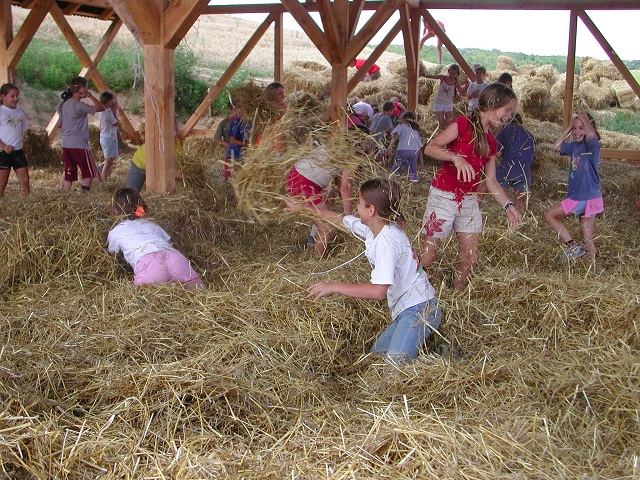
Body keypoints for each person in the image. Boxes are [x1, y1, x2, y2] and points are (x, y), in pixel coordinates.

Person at [285, 178, 442, 364]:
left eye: (358, 202)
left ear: (371, 210)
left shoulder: (386, 242)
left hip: (419, 311)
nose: (356, 206)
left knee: (393, 370)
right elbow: (339, 219)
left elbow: (378, 291)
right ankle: (428, 350)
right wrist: (303, 209)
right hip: (406, 311)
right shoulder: (376, 227)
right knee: (373, 357)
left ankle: (442, 357)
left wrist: (333, 286)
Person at [421, 83, 522, 288]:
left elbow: (491, 181)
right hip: (443, 196)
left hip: (468, 201)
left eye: (512, 112)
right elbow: (430, 148)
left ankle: (457, 298)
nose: (509, 116)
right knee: (429, 256)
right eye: (507, 110)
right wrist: (455, 157)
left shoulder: (491, 142)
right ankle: (408, 289)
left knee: (469, 259)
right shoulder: (461, 124)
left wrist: (508, 206)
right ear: (493, 103)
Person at [108, 188, 203, 289]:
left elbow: (113, 256)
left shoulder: (115, 232)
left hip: (149, 264)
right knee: (201, 294)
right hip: (174, 257)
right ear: (140, 207)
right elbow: (170, 243)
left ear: (116, 211)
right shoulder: (151, 224)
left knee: (139, 300)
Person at [544, 113, 603, 262]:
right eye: (574, 129)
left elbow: (590, 134)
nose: (577, 132)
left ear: (590, 127)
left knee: (549, 215)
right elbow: (555, 146)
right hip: (589, 196)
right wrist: (569, 128)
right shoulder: (573, 147)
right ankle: (592, 264)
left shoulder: (592, 145)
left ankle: (573, 247)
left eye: (581, 128)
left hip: (583, 196)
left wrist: (584, 120)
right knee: (586, 236)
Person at [286, 144, 353, 256]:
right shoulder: (352, 156)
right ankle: (318, 260)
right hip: (303, 184)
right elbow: (345, 188)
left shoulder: (335, 146)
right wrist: (350, 220)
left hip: (296, 176)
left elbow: (339, 184)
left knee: (329, 196)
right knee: (326, 225)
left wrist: (348, 213)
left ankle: (314, 236)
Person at [59, 76, 105, 192]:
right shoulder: (80, 106)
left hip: (65, 143)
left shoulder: (64, 105)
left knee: (69, 172)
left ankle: (65, 195)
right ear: (81, 89)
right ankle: (84, 194)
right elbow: (101, 107)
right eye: (86, 88)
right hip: (79, 143)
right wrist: (89, 95)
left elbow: (60, 124)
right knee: (88, 172)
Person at [494, 113, 535, 211]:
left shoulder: (505, 130)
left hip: (507, 168)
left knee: (487, 185)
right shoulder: (529, 134)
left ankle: (475, 206)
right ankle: (519, 220)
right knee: (520, 198)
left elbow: (497, 153)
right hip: (524, 172)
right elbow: (533, 158)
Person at [126, 121, 181, 192]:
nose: (175, 133)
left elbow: (178, 160)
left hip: (156, 168)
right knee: (132, 192)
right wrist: (175, 175)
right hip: (140, 165)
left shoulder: (176, 143)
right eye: (171, 130)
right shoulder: (159, 144)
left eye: (176, 130)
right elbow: (159, 168)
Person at [0, 83, 30, 197]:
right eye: (12, 96)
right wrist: (4, 146)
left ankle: (26, 204)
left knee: (25, 179)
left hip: (18, 151)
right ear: (2, 96)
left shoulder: (19, 112)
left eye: (17, 96)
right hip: (3, 152)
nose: (16, 99)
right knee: (2, 182)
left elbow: (22, 130)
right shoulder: (1, 112)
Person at [421, 64, 465, 131]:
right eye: (450, 73)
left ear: (457, 74)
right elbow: (432, 76)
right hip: (439, 103)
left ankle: (447, 137)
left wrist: (467, 86)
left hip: (448, 105)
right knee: (441, 123)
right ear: (448, 71)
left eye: (454, 73)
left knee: (449, 123)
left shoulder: (456, 83)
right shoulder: (443, 78)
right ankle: (441, 137)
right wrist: (425, 75)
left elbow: (461, 94)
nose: (452, 75)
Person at [387, 111, 422, 183]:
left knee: (397, 166)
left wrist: (389, 148)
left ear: (404, 119)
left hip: (402, 150)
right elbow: (419, 148)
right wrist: (422, 164)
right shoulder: (415, 131)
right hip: (414, 152)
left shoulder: (400, 127)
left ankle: (395, 179)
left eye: (400, 119)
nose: (399, 121)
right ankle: (413, 180)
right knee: (412, 168)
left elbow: (395, 137)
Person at [221, 109, 251, 184]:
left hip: (242, 154)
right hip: (233, 153)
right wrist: (246, 144)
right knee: (227, 174)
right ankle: (219, 190)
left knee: (240, 176)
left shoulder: (248, 123)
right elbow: (232, 140)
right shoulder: (235, 123)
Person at [97, 91, 120, 180]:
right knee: (108, 161)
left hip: (109, 136)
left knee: (111, 159)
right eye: (112, 100)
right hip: (108, 137)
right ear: (107, 101)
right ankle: (102, 179)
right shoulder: (106, 112)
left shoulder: (104, 111)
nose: (113, 101)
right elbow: (115, 123)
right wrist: (114, 111)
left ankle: (106, 176)